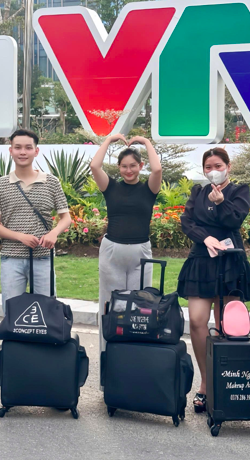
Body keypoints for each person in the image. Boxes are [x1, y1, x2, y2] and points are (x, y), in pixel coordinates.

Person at [177, 147, 250, 413]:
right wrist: (206, 238)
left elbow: (235, 220)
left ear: (228, 166)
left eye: (218, 166)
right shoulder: (198, 193)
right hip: (201, 260)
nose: (213, 171)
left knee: (227, 326)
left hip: (229, 261)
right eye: (208, 167)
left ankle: (226, 382)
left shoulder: (239, 191)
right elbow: (187, 222)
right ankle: (206, 382)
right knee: (197, 320)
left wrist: (222, 202)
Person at [89, 134, 162, 356]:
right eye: (124, 166)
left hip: (141, 251)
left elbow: (157, 169)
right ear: (118, 167)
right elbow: (94, 166)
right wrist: (109, 141)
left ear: (140, 166)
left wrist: (146, 142)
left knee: (141, 305)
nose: (128, 170)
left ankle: (135, 358)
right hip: (112, 251)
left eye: (133, 166)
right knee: (110, 305)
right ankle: (108, 357)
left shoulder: (149, 188)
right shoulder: (110, 187)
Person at [0, 129, 72, 310]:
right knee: (12, 312)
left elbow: (66, 218)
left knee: (46, 312)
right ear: (11, 150)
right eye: (17, 147)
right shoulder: (0, 185)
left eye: (28, 148)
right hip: (11, 258)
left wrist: (54, 233)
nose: (23, 152)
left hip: (43, 258)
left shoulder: (51, 182)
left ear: (36, 151)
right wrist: (21, 237)